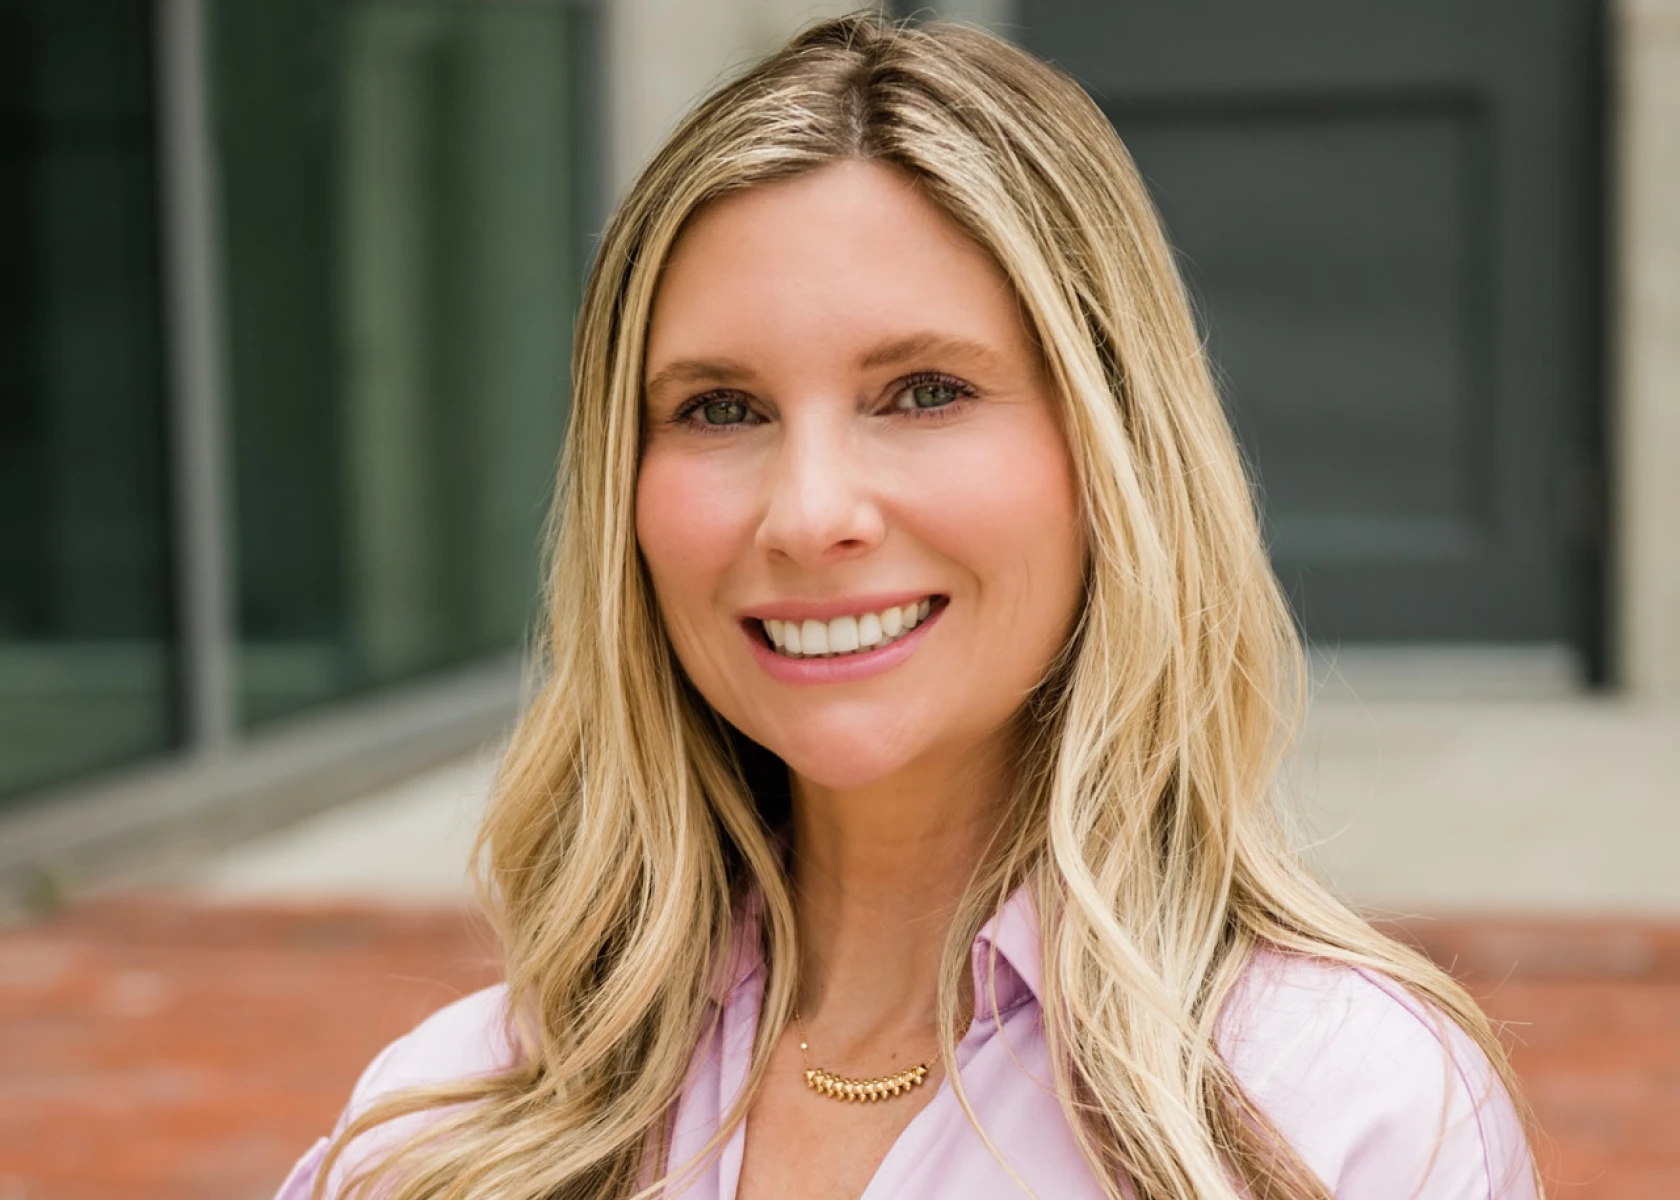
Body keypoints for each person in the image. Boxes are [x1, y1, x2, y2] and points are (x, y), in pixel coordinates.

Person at [278, 14, 1539, 1200]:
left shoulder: (1337, 1118)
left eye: (924, 391)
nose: (809, 512)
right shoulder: (445, 1126)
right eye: (721, 408)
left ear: (1113, 453)